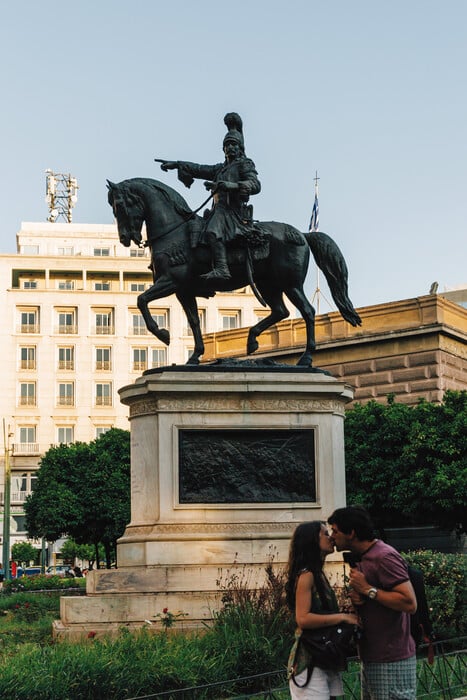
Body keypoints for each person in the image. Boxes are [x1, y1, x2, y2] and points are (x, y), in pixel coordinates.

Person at [159, 112, 261, 282]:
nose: (230, 148)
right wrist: (177, 164)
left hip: (232, 212)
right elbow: (198, 169)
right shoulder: (219, 169)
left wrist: (231, 186)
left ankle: (222, 268)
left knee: (212, 232)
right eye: (227, 145)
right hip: (217, 210)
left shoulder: (245, 164)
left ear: (240, 148)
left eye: (233, 144)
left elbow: (255, 184)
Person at [328, 506, 417, 700]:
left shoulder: (384, 556)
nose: (331, 536)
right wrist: (360, 599)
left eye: (335, 531)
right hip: (373, 656)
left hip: (391, 659)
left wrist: (369, 590)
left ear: (351, 533)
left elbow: (409, 603)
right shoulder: (364, 557)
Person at [286, 521, 359, 699]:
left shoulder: (317, 573)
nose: (331, 538)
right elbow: (303, 619)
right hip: (310, 661)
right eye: (325, 534)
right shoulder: (307, 575)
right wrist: (342, 617)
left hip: (324, 656)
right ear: (312, 541)